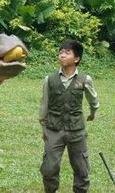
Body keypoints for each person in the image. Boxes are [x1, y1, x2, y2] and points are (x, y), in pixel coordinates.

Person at [39, 39, 99, 193]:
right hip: (54, 129)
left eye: (67, 53)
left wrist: (92, 113)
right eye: (60, 53)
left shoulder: (85, 79)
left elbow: (93, 99)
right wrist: (43, 126)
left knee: (81, 168)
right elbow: (44, 104)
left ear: (76, 58)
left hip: (76, 130)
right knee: (49, 168)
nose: (62, 56)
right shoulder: (50, 79)